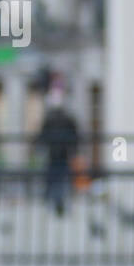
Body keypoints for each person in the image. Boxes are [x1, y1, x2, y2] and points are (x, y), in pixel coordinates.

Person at [37, 87, 79, 216]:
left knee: (52, 178)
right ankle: (59, 200)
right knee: (62, 179)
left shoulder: (50, 119)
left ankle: (51, 200)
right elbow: (75, 136)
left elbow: (42, 135)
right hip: (63, 154)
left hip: (53, 153)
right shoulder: (68, 118)